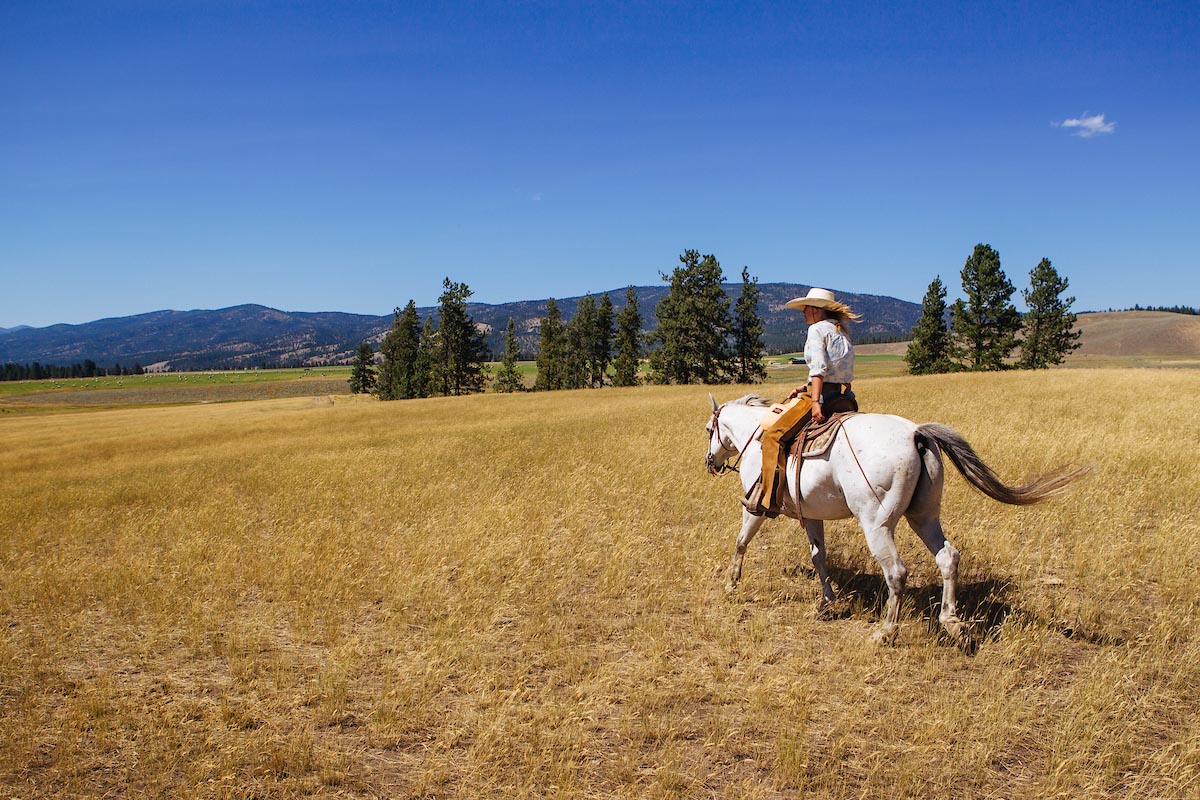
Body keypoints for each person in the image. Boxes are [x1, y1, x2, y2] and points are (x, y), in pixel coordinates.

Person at [744, 287, 861, 516]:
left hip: (823, 397)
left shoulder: (817, 330)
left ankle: (767, 499)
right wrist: (805, 386)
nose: (803, 312)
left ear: (817, 310)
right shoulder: (842, 331)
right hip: (845, 397)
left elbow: (819, 370)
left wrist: (815, 400)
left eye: (806, 308)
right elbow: (836, 371)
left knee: (773, 435)